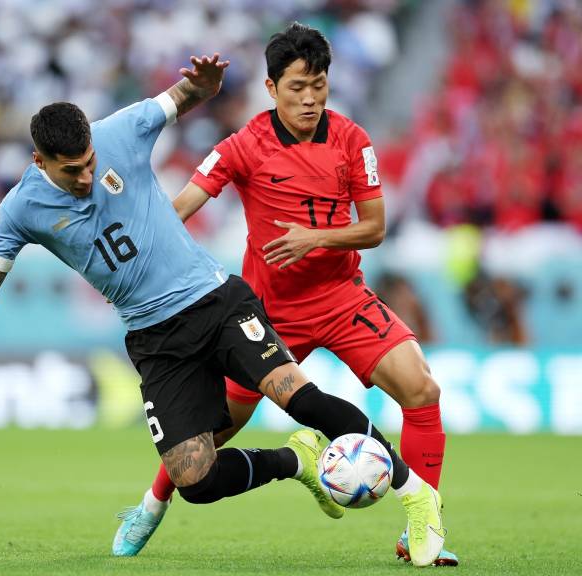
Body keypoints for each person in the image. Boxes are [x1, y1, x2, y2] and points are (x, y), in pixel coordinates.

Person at [0, 53, 446, 567]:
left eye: (90, 163)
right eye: (72, 171)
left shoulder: (120, 131)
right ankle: (295, 461)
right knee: (195, 479)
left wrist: (205, 84)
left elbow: (182, 95)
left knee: (297, 396)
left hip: (215, 300)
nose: (86, 176)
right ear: (40, 162)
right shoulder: (19, 209)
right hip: (154, 338)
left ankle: (416, 495)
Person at [112, 23, 457, 566]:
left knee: (421, 389)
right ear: (272, 88)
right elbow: (180, 208)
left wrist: (315, 238)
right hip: (265, 315)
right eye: (297, 87)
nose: (311, 98)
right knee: (209, 434)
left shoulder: (352, 140)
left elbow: (374, 228)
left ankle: (422, 520)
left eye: (319, 85)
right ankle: (150, 506)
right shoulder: (243, 145)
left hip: (342, 298)